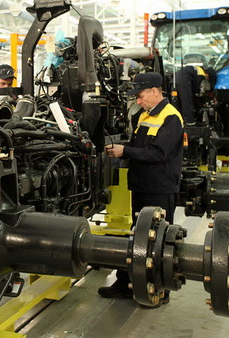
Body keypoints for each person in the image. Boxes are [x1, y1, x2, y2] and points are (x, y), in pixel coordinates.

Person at [98, 72, 184, 303]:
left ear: (155, 91)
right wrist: (118, 148)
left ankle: (160, 290)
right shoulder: (145, 115)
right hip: (142, 186)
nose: (138, 101)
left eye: (140, 96)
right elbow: (139, 146)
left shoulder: (170, 117)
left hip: (160, 188)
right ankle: (126, 285)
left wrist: (124, 151)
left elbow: (157, 153)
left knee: (158, 241)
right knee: (137, 237)